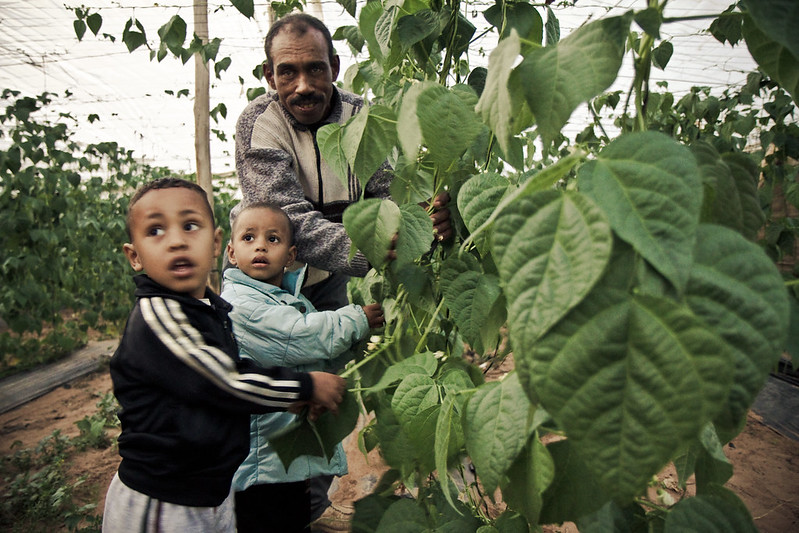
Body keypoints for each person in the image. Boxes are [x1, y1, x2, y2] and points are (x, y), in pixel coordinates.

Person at [234, 11, 453, 523]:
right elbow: (288, 219)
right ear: (268, 76)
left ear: (334, 66)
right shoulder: (258, 123)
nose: (303, 84)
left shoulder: (362, 117)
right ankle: (265, 505)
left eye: (315, 68)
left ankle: (308, 507)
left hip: (329, 282)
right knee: (277, 397)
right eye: (287, 72)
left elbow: (391, 195)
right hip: (269, 283)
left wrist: (427, 218)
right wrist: (378, 250)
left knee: (325, 392)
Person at [102, 177, 346, 533]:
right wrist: (304, 386)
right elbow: (224, 380)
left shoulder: (208, 309)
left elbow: (228, 373)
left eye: (190, 226)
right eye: (156, 230)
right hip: (162, 498)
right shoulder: (159, 315)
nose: (176, 241)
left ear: (216, 243)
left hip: (209, 488)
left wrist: (287, 398)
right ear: (134, 256)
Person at [220, 202, 384, 532]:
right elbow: (300, 335)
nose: (260, 246)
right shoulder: (241, 304)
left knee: (295, 518)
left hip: (281, 460)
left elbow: (309, 357)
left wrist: (355, 345)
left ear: (291, 256)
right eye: (249, 237)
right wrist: (356, 319)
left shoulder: (282, 297)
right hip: (262, 464)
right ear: (232, 253)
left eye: (273, 239)